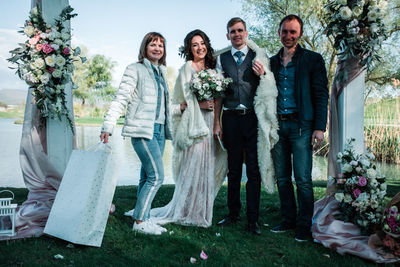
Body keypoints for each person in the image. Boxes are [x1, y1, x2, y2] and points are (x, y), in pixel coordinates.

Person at [149, 29, 227, 228]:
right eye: (194, 45)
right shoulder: (187, 69)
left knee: (208, 167)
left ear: (207, 45)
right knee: (191, 168)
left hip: (210, 123)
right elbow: (178, 102)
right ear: (189, 49)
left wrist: (217, 123)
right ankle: (185, 210)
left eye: (202, 43)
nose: (199, 47)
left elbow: (219, 99)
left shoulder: (215, 69)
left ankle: (201, 211)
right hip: (194, 124)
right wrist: (198, 106)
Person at [100, 32, 172, 235]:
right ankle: (139, 222)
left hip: (158, 131)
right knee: (157, 177)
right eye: (153, 44)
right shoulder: (135, 69)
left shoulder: (162, 73)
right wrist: (107, 126)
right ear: (145, 48)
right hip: (142, 131)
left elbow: (164, 106)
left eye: (161, 45)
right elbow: (121, 98)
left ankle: (145, 218)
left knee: (146, 176)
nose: (157, 48)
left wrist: (181, 108)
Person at [214, 17, 279, 235]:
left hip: (252, 119)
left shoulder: (259, 56)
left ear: (246, 33)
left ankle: (253, 220)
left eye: (240, 30)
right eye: (232, 31)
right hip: (231, 119)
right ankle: (233, 213)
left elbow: (270, 84)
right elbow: (218, 94)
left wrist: (264, 74)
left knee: (253, 170)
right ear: (228, 35)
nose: (237, 34)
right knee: (233, 170)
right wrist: (217, 122)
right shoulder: (221, 59)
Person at [269, 15, 328, 242]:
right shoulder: (272, 62)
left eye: (293, 32)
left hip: (302, 127)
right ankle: (288, 220)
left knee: (303, 178)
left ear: (300, 34)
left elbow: (321, 94)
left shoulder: (312, 59)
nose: (288, 36)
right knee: (282, 178)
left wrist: (319, 127)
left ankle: (305, 225)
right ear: (279, 32)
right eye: (285, 31)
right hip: (277, 126)